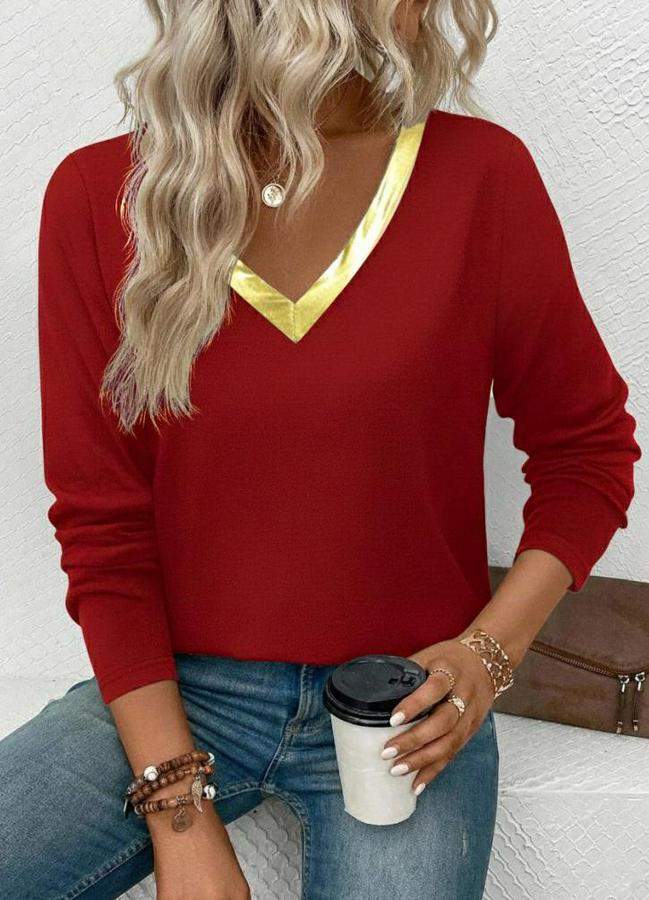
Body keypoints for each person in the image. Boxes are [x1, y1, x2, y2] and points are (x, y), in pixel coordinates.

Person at [0, 1, 641, 898]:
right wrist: (178, 811)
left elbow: (586, 451)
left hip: (408, 703)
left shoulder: (479, 176)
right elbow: (102, 525)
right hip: (176, 690)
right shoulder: (102, 196)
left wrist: (485, 659)